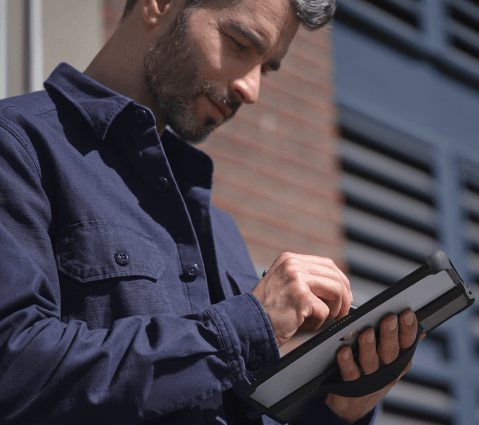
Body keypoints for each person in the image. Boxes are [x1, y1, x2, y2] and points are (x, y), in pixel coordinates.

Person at [0, 0, 424, 423]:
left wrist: (338, 411)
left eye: (268, 67)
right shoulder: (19, 145)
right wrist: (240, 327)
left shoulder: (219, 228)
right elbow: (14, 372)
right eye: (240, 43)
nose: (251, 89)